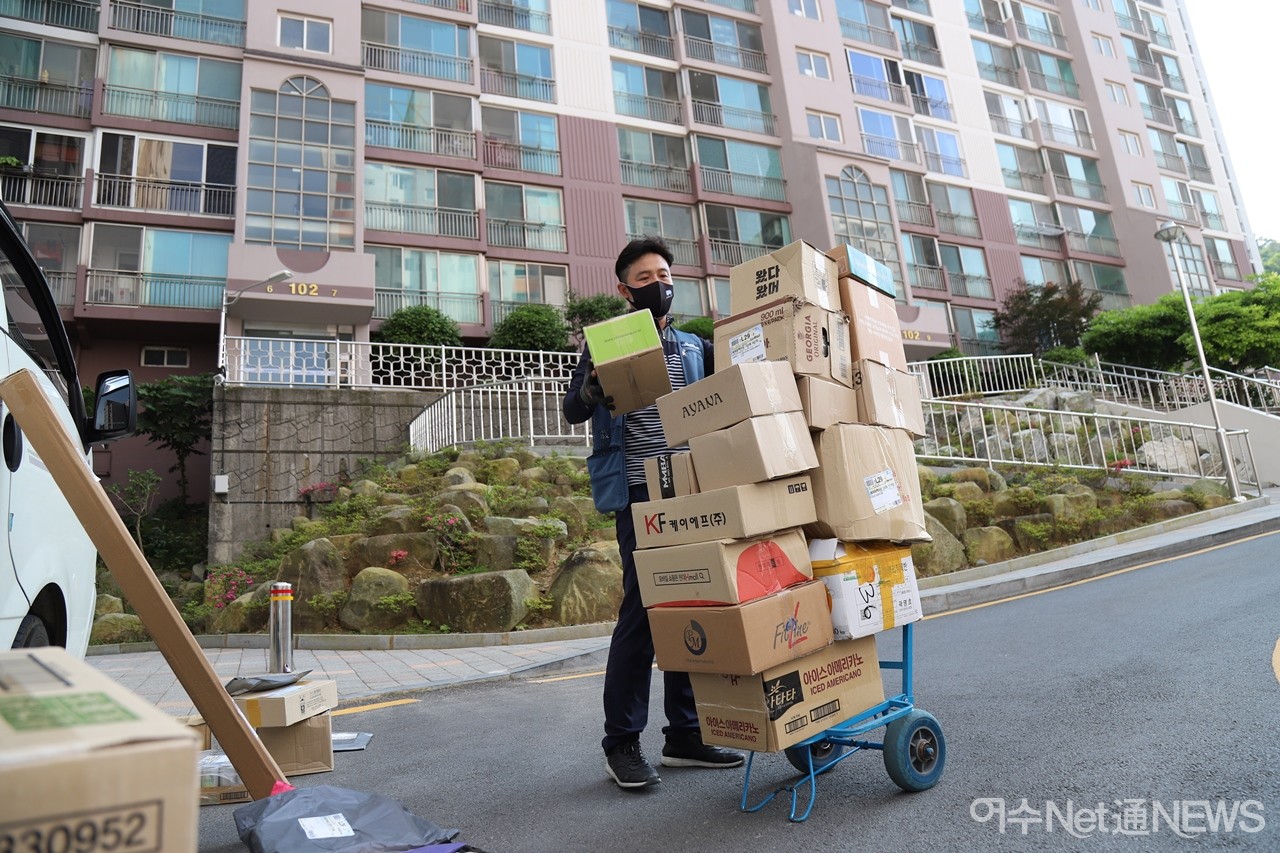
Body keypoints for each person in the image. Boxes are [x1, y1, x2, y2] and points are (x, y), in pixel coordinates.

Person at [563, 237, 745, 790]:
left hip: (691, 492)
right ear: (624, 290)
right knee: (642, 615)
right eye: (644, 277)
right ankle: (621, 743)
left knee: (692, 604)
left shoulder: (694, 347)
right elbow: (571, 409)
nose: (658, 284)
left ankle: (684, 736)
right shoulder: (604, 346)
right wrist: (592, 387)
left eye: (664, 274)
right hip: (639, 495)